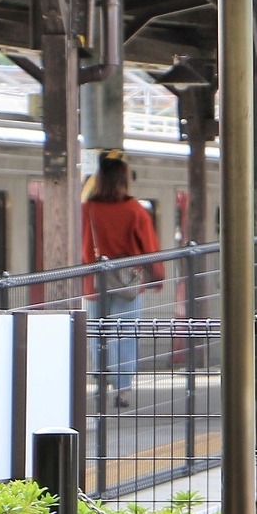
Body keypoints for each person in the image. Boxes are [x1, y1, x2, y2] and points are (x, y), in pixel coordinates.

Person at [82, 152, 162, 407]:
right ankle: (122, 390)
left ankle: (101, 382)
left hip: (95, 284)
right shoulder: (135, 210)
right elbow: (149, 247)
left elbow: (82, 249)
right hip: (128, 284)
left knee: (98, 334)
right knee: (125, 334)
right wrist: (156, 277)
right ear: (123, 180)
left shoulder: (88, 209)